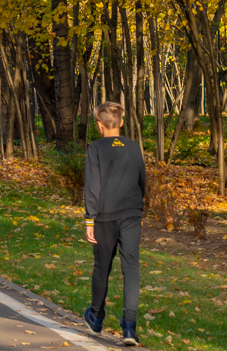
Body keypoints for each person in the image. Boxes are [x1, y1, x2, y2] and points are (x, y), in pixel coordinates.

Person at [82, 101, 145, 346]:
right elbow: (142, 179)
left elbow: (92, 186)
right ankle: (130, 327)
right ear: (120, 123)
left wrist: (90, 218)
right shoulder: (133, 146)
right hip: (131, 214)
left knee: (102, 266)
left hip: (104, 217)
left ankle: (96, 316)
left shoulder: (95, 148)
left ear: (99, 125)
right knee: (131, 270)